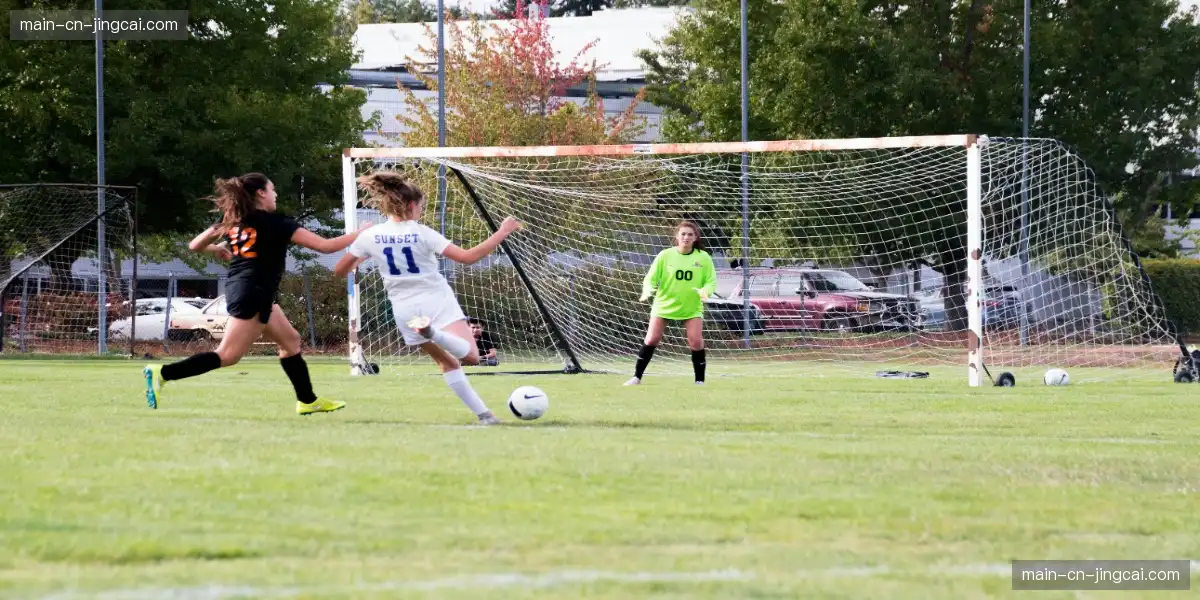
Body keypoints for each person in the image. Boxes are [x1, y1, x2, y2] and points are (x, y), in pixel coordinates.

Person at [142, 173, 371, 415]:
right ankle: (163, 373)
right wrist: (360, 232)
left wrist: (217, 250)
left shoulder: (234, 219)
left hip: (248, 289)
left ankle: (307, 400)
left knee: (291, 341)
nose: (276, 194)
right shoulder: (278, 223)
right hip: (253, 292)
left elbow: (195, 245)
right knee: (228, 356)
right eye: (273, 190)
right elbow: (326, 246)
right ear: (261, 193)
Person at [333, 171, 522, 425]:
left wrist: (363, 252)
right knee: (472, 358)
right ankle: (433, 332)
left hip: (404, 308)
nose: (421, 211)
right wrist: (503, 231)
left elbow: (340, 270)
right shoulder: (422, 232)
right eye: (421, 206)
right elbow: (468, 258)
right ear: (411, 205)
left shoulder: (370, 236)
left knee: (447, 363)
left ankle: (485, 416)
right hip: (436, 298)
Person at [625, 220, 717, 386]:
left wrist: (706, 291)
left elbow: (711, 281)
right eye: (683, 234)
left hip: (691, 306)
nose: (686, 237)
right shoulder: (665, 255)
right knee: (652, 339)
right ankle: (636, 377)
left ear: (695, 237)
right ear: (677, 236)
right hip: (664, 304)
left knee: (695, 341)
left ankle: (700, 381)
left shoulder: (703, 258)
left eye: (690, 234)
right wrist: (647, 291)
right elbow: (650, 279)